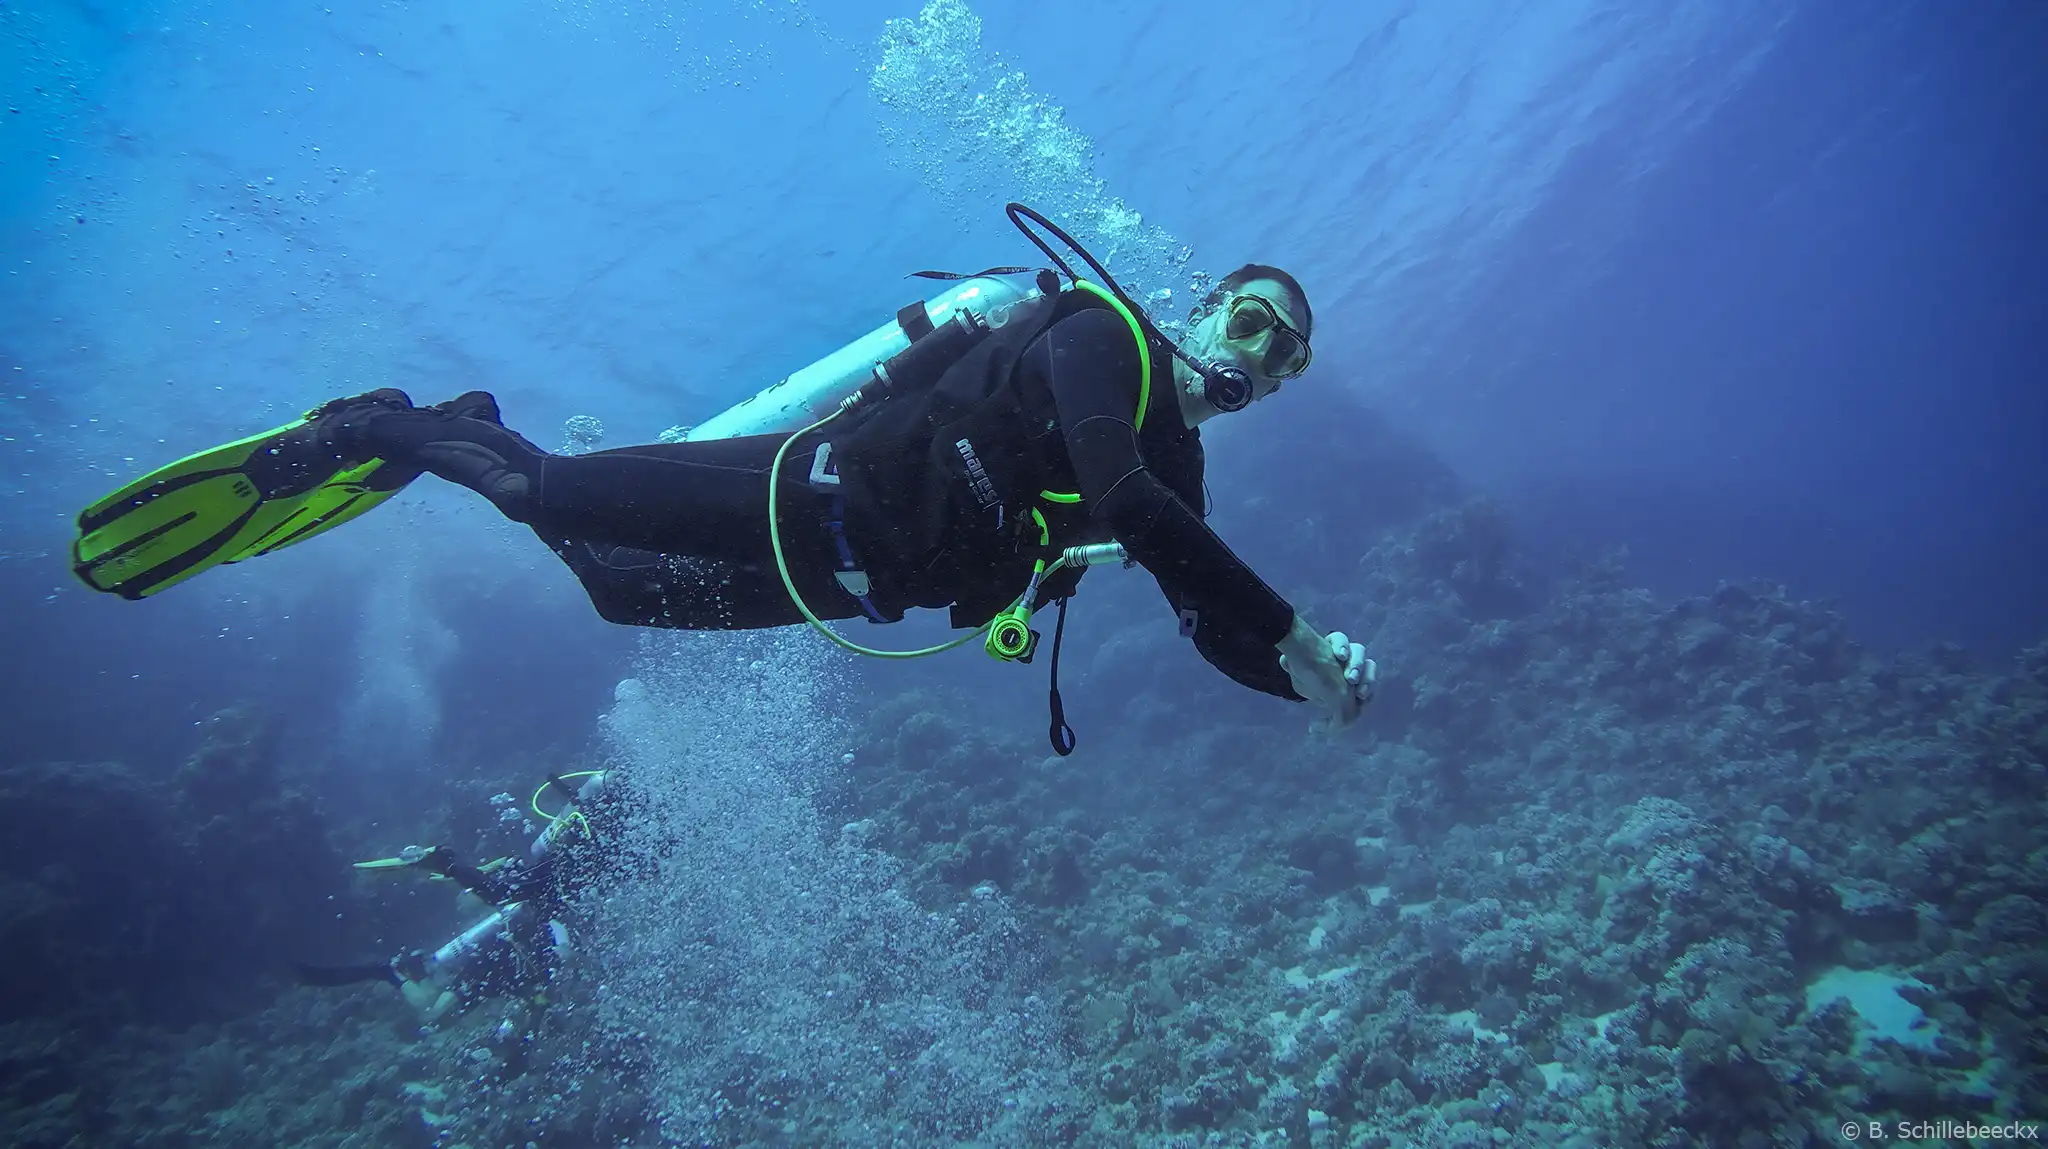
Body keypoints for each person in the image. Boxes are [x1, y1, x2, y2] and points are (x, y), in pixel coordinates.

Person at [73, 211, 1376, 729]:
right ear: (1206, 312)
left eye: (1288, 352)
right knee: (542, 493)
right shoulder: (1105, 341)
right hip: (814, 490)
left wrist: (1295, 679)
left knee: (611, 590)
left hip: (850, 589)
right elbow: (1141, 517)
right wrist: (1299, 627)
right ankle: (386, 426)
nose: (1262, 353)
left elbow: (1200, 612)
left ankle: (468, 418)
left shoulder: (1173, 458)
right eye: (1252, 320)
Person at [297, 772, 610, 1019]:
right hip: (526, 914)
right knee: (502, 895)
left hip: (534, 917)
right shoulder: (606, 831)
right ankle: (442, 860)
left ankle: (393, 965)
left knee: (435, 1015)